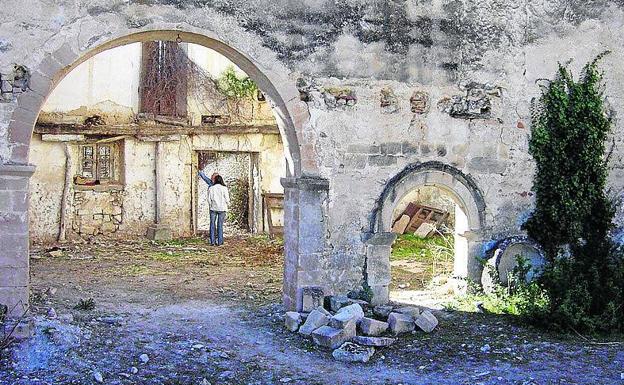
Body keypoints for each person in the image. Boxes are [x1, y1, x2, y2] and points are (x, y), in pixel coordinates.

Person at [207, 175, 230, 246]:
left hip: (213, 208)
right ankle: (220, 242)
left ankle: (212, 242)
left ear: (215, 180)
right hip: (222, 208)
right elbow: (227, 199)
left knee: (212, 224)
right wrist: (228, 205)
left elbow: (209, 199)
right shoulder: (224, 188)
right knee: (220, 225)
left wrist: (211, 205)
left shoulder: (211, 188)